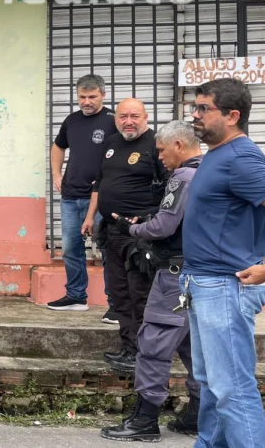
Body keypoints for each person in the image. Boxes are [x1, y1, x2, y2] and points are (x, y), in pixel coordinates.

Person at [99, 120, 202, 441]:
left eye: (161, 150)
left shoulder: (183, 176)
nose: (158, 157)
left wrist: (132, 229)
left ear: (179, 146)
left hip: (175, 275)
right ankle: (198, 413)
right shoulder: (211, 170)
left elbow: (164, 227)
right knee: (191, 346)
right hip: (199, 274)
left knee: (154, 344)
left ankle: (145, 420)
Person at [180, 78, 265, 448]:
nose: (195, 115)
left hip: (225, 287)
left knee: (233, 388)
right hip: (202, 283)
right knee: (212, 384)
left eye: (203, 108)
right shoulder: (218, 154)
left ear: (232, 115)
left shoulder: (242, 158)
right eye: (195, 107)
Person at [82, 98, 169, 372]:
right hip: (112, 232)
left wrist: (152, 218)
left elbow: (170, 187)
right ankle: (128, 349)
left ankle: (144, 353)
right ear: (116, 119)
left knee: (139, 294)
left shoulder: (157, 144)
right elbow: (99, 183)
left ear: (146, 117)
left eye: (134, 116)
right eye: (123, 116)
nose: (128, 121)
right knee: (119, 294)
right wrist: (89, 216)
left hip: (140, 237)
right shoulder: (111, 143)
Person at [48, 74, 119, 323]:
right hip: (70, 196)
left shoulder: (114, 121)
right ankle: (76, 296)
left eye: (92, 97)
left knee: (107, 251)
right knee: (70, 249)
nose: (86, 102)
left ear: (103, 95)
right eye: (82, 97)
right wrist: (57, 175)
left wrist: (110, 181)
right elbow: (58, 147)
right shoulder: (72, 120)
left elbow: (123, 152)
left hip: (101, 199)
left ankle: (116, 305)